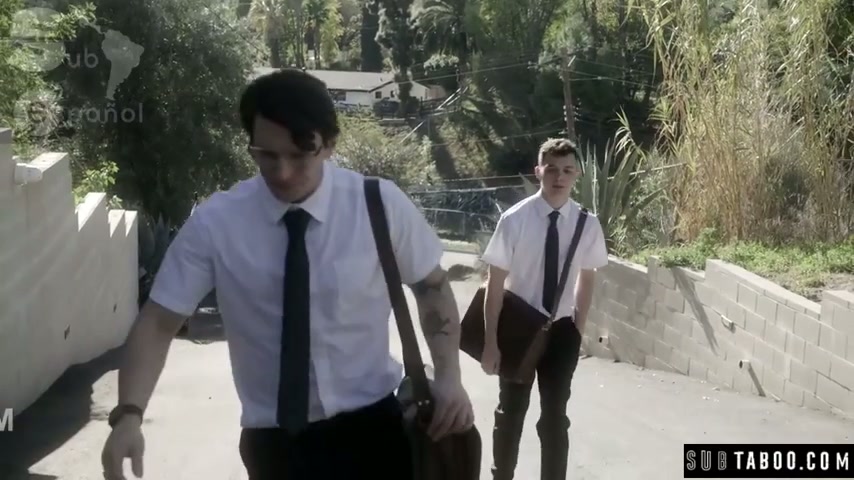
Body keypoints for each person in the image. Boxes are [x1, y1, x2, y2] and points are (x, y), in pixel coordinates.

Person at [100, 68, 474, 480]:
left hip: (376, 431)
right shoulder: (217, 223)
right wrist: (129, 415)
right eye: (266, 155)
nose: (281, 172)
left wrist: (450, 378)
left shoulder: (378, 205)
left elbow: (432, 286)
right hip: (275, 446)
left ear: (329, 145)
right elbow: (158, 321)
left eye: (299, 155)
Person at [479, 138, 608, 480]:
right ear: (538, 171)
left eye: (567, 170)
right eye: (551, 169)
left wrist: (578, 328)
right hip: (517, 328)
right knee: (510, 412)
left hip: (562, 331)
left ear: (577, 174)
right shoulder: (515, 219)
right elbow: (495, 283)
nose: (559, 177)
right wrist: (490, 342)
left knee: (555, 419)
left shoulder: (587, 223)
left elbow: (588, 277)